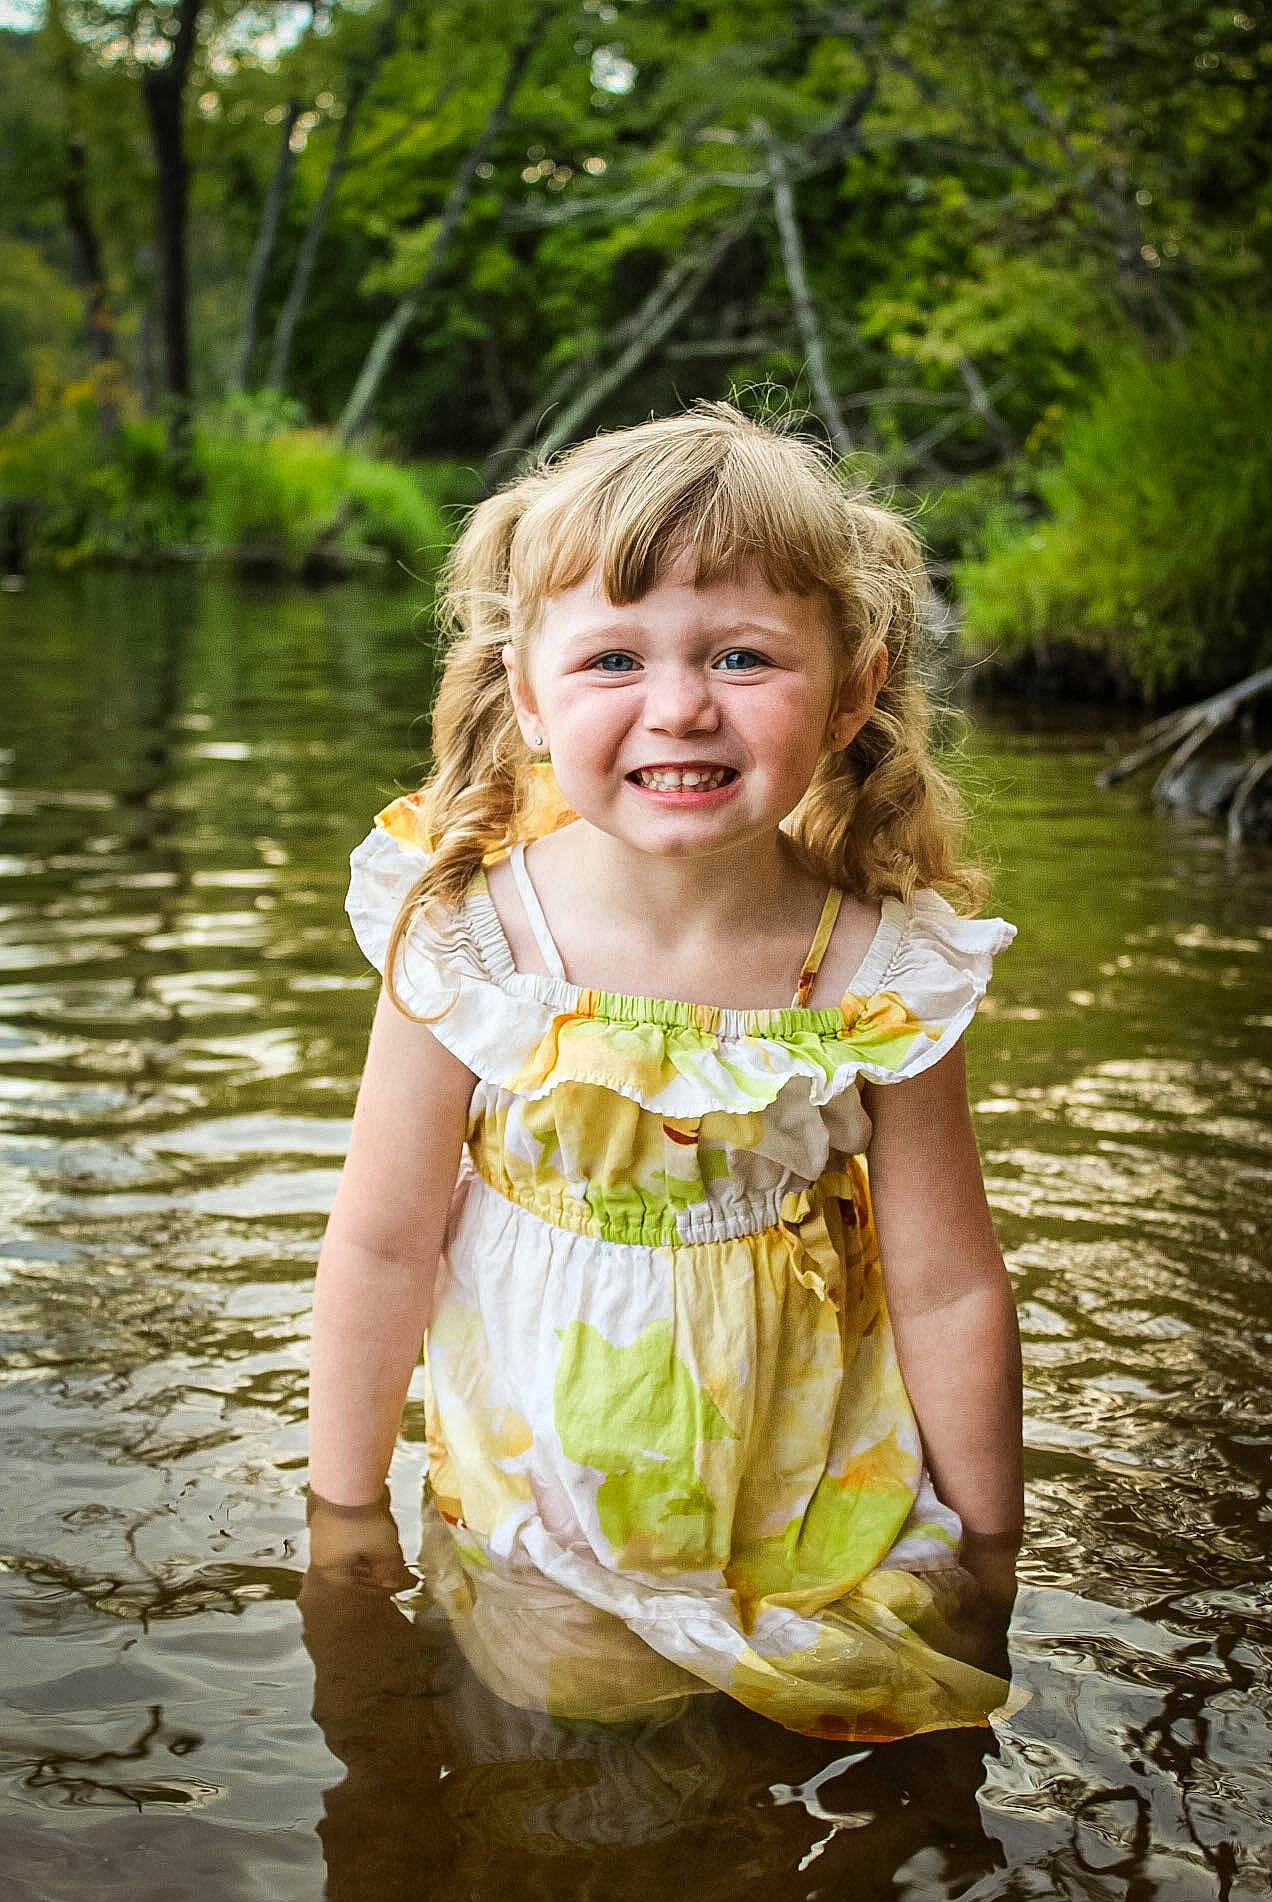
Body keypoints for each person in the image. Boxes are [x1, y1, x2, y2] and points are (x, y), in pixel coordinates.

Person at [307, 400, 1024, 1744]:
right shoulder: (470, 939)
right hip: (551, 1470)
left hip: (809, 1467)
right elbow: (383, 1242)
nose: (681, 706)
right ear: (529, 694)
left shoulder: (882, 969)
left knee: (856, 1717)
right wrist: (342, 1514)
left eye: (743, 656)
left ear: (852, 691)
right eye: (614, 659)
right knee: (556, 1742)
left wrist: (992, 1548)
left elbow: (949, 1282)